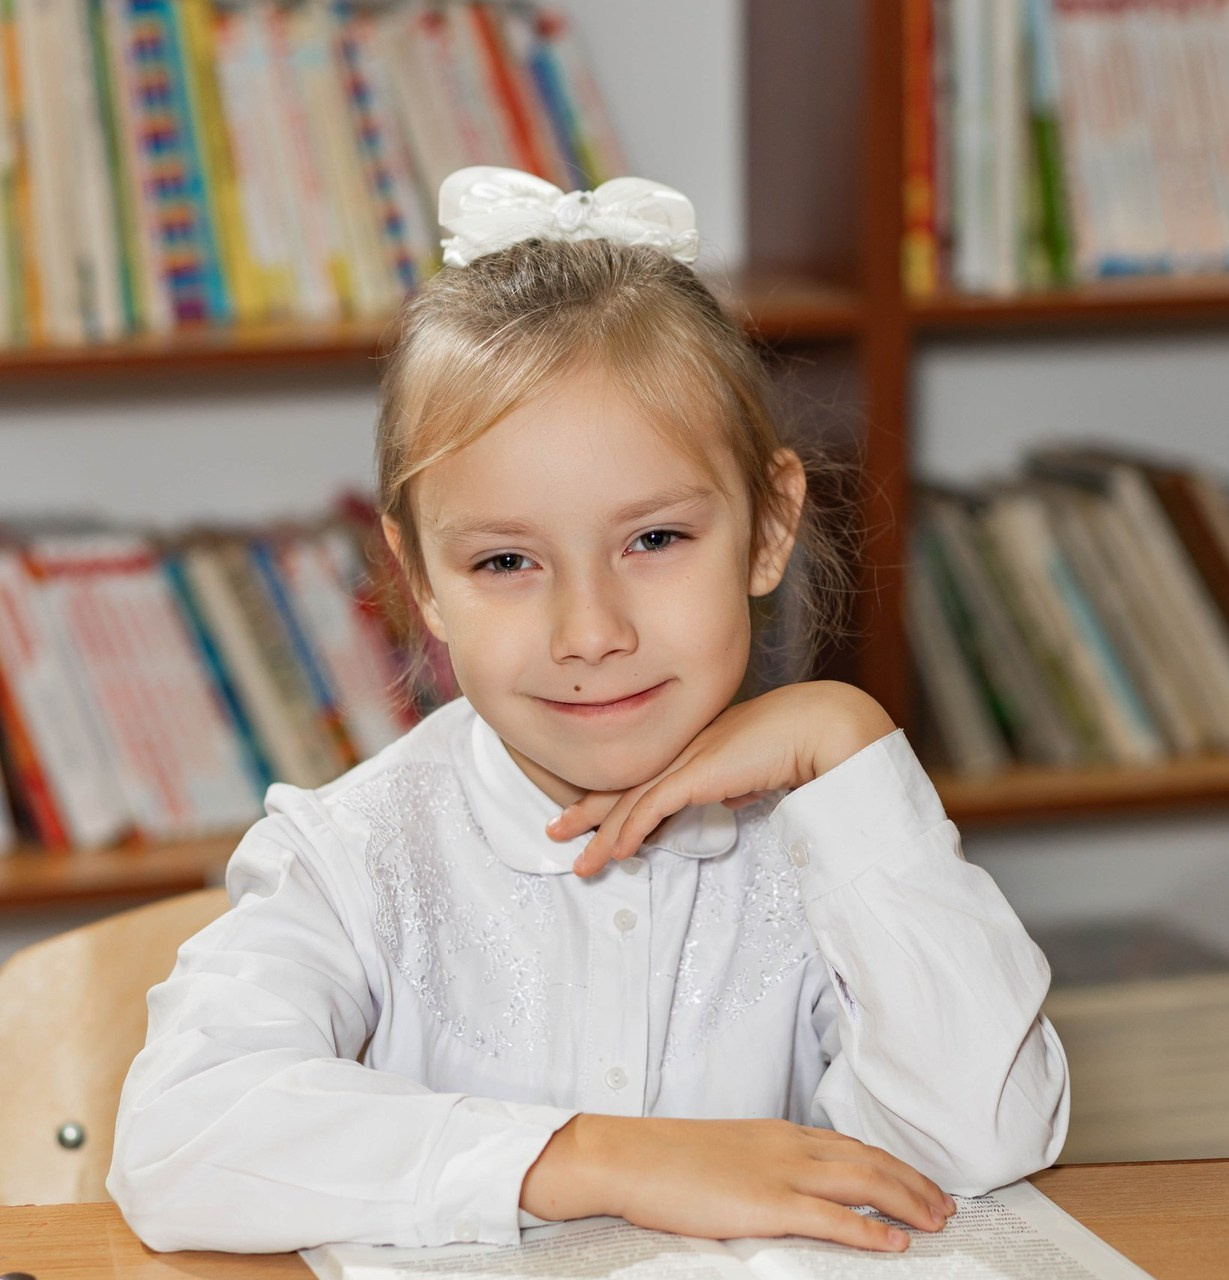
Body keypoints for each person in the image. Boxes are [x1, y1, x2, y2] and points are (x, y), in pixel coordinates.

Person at [108, 167, 1069, 1256]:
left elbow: (983, 1138)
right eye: (507, 559)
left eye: (652, 539)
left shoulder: (823, 837)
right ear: (418, 573)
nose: (588, 630)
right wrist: (602, 1155)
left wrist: (850, 745)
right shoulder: (349, 856)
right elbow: (178, 1139)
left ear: (767, 526)